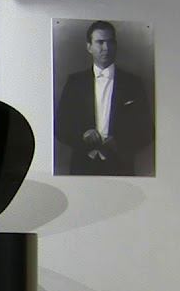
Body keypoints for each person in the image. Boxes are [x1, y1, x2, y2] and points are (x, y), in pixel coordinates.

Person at [54, 20, 154, 176]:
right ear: (89, 47)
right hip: (82, 167)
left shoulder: (133, 84)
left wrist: (119, 143)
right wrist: (82, 136)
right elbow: (60, 127)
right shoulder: (75, 82)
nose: (106, 48)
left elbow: (147, 131)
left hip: (121, 167)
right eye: (100, 42)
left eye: (110, 42)